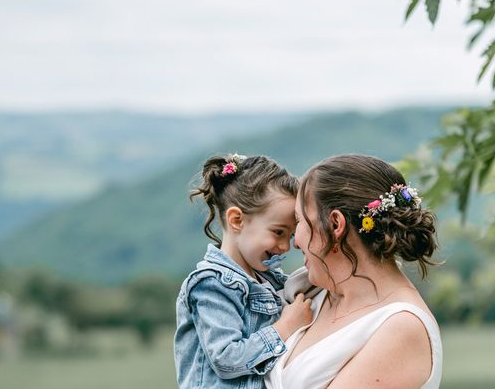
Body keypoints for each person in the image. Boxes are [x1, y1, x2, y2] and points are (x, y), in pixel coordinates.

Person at [265, 154, 442, 389]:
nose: (295, 241)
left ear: (335, 225)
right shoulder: (310, 293)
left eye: (299, 221)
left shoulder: (402, 327)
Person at [174, 154, 313, 389]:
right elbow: (226, 359)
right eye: (278, 232)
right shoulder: (212, 283)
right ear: (237, 220)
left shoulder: (269, 280)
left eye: (290, 236)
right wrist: (285, 327)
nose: (285, 247)